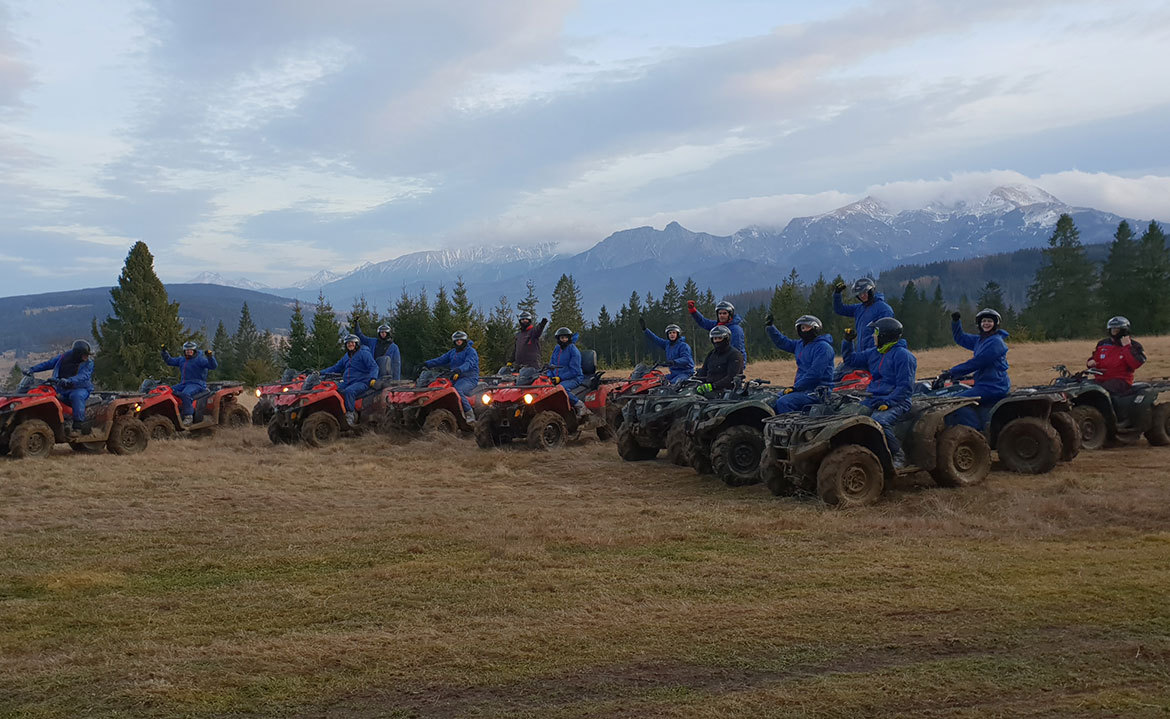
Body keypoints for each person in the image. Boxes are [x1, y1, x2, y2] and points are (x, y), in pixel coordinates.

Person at [841, 317, 917, 467]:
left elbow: (905, 388)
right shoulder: (874, 353)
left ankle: (898, 455)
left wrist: (888, 401)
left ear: (885, 335)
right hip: (874, 398)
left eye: (876, 332)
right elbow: (850, 360)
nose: (873, 336)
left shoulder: (904, 356)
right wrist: (848, 342)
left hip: (898, 401)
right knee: (850, 416)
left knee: (880, 421)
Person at [940, 309, 1010, 429]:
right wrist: (956, 322)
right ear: (979, 324)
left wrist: (952, 372)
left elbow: (977, 363)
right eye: (983, 321)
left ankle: (975, 432)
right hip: (983, 384)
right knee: (952, 395)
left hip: (994, 386)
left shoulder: (996, 343)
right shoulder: (981, 340)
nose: (986, 324)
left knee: (958, 402)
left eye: (989, 321)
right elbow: (961, 338)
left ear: (996, 324)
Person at [765, 313, 834, 415]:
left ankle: (790, 428)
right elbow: (782, 342)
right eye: (802, 327)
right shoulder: (800, 344)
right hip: (801, 389)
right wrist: (770, 327)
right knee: (771, 400)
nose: (804, 330)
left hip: (817, 392)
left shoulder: (823, 348)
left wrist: (795, 388)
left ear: (816, 328)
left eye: (807, 327)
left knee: (784, 402)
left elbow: (815, 374)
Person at [26, 339, 95, 436]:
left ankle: (77, 427)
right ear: (77, 354)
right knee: (48, 397)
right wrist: (32, 369)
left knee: (76, 396)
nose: (87, 357)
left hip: (80, 388)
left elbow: (83, 376)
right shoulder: (64, 357)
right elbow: (49, 364)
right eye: (85, 354)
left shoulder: (89, 363)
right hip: (62, 388)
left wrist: (69, 380)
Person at [832, 277, 894, 379]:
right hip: (861, 355)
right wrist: (837, 294)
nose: (863, 296)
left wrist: (877, 353)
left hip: (875, 356)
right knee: (838, 376)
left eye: (865, 292)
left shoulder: (883, 309)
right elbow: (840, 309)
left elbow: (887, 333)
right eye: (859, 294)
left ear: (871, 291)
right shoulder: (859, 308)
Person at [322, 334, 379, 427]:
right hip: (348, 382)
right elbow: (336, 367)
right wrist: (320, 373)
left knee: (349, 391)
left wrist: (373, 378)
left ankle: (350, 415)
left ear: (357, 344)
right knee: (332, 389)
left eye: (352, 342)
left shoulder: (364, 353)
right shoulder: (346, 356)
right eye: (348, 343)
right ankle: (338, 412)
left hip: (362, 381)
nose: (350, 344)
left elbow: (374, 366)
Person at [424, 331, 480, 423]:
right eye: (456, 340)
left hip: (469, 378)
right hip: (455, 377)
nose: (458, 342)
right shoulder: (453, 352)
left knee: (457, 390)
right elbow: (440, 360)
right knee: (440, 389)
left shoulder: (471, 351)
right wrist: (426, 364)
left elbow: (469, 363)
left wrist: (459, 369)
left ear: (464, 340)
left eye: (460, 340)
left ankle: (469, 414)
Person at [161, 341, 219, 426]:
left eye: (190, 350)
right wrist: (164, 352)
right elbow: (169, 361)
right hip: (184, 383)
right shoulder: (182, 360)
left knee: (185, 394)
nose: (188, 352)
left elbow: (213, 366)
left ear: (194, 351)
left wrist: (210, 357)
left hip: (197, 384)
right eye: (187, 350)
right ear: (184, 351)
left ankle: (189, 416)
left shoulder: (200, 360)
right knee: (168, 390)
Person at [1087, 316, 1146, 394]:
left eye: (1117, 330)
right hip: (1100, 379)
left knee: (1098, 392)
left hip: (1121, 380)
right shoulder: (1102, 344)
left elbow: (1135, 364)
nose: (1114, 332)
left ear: (1124, 331)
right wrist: (1090, 362)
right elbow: (1095, 358)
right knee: (1084, 389)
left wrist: (1126, 347)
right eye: (1112, 330)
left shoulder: (1134, 345)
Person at [547, 327, 590, 419]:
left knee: (561, 389)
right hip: (557, 377)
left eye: (565, 338)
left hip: (574, 378)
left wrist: (560, 378)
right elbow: (551, 364)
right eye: (561, 338)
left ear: (569, 338)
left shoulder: (573, 350)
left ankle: (580, 405)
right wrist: (549, 376)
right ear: (558, 339)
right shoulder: (557, 349)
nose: (564, 340)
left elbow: (575, 370)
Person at [639, 317, 695, 384]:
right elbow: (656, 339)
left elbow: (687, 359)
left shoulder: (683, 346)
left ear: (678, 334)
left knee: (672, 384)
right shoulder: (667, 344)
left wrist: (674, 362)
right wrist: (645, 330)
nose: (672, 334)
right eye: (670, 333)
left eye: (674, 332)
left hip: (685, 373)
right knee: (657, 381)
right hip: (673, 373)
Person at [694, 325, 745, 397]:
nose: (717, 341)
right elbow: (703, 372)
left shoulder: (735, 355)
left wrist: (713, 386)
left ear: (726, 338)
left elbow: (732, 377)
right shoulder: (712, 354)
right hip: (709, 388)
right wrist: (694, 379)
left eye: (719, 338)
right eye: (715, 338)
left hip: (726, 391)